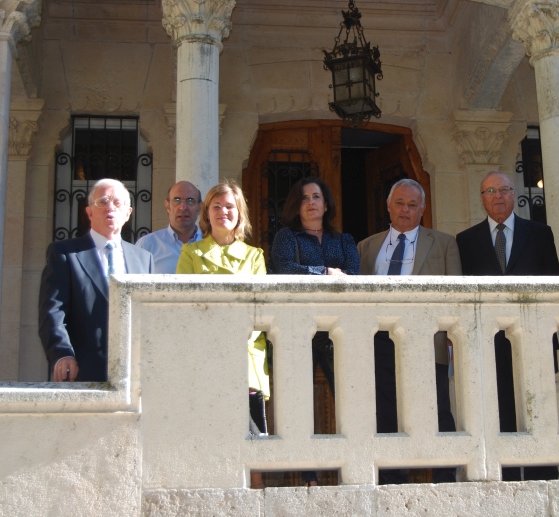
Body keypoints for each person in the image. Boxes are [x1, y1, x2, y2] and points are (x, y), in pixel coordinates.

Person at [456, 170, 559, 481]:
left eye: (504, 190)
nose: (498, 196)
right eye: (490, 191)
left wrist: (553, 333)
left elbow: (554, 285)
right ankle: (508, 476)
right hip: (490, 343)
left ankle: (544, 475)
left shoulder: (540, 233)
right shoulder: (466, 240)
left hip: (535, 338)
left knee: (539, 408)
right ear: (482, 199)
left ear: (514, 194)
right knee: (500, 409)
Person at [357, 178, 460, 485]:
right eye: (399, 203)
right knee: (386, 408)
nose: (405, 210)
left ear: (423, 209)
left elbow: (455, 296)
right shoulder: (367, 247)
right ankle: (392, 475)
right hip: (380, 340)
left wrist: (453, 338)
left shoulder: (444, 244)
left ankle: (445, 474)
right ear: (388, 206)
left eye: (412, 205)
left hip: (427, 339)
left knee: (436, 406)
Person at [270, 176, 359, 486]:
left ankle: (352, 468)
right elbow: (283, 269)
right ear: (296, 205)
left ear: (326, 204)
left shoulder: (344, 240)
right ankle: (308, 474)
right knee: (299, 402)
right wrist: (324, 272)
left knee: (348, 401)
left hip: (337, 333)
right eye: (304, 197)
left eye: (316, 196)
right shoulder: (286, 237)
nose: (311, 202)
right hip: (298, 331)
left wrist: (336, 275)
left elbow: (354, 275)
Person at [175, 182, 268, 442]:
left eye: (229, 206)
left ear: (240, 213)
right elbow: (184, 307)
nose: (223, 212)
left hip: (245, 351)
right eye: (216, 206)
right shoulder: (190, 253)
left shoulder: (254, 256)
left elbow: (260, 309)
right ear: (206, 213)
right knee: (207, 437)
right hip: (203, 351)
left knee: (253, 439)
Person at [38, 178, 154, 382]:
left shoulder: (144, 258)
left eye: (117, 203)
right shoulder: (65, 254)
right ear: (89, 212)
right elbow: (53, 311)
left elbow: (150, 316)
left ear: (128, 213)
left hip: (135, 372)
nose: (110, 207)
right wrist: (62, 354)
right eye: (103, 202)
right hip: (83, 369)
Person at [135, 180, 202, 273]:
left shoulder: (211, 245)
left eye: (190, 201)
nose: (183, 207)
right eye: (177, 200)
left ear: (199, 207)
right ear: (167, 206)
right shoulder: (147, 245)